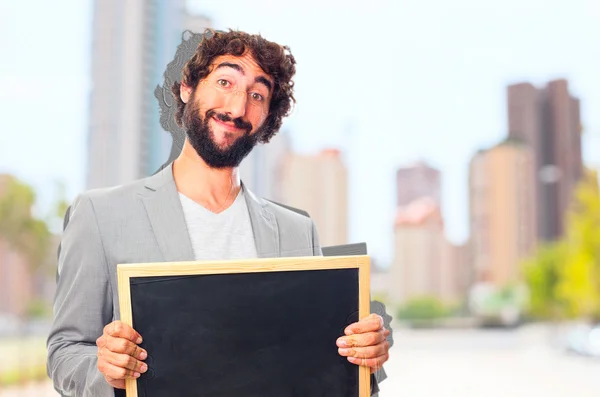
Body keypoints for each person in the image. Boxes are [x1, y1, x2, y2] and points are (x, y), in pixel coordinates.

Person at [47, 29, 390, 396]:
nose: (237, 107)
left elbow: (317, 362)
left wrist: (365, 358)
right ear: (187, 88)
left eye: (257, 94)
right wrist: (107, 371)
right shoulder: (100, 215)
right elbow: (65, 351)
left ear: (267, 120)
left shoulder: (297, 231)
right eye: (225, 81)